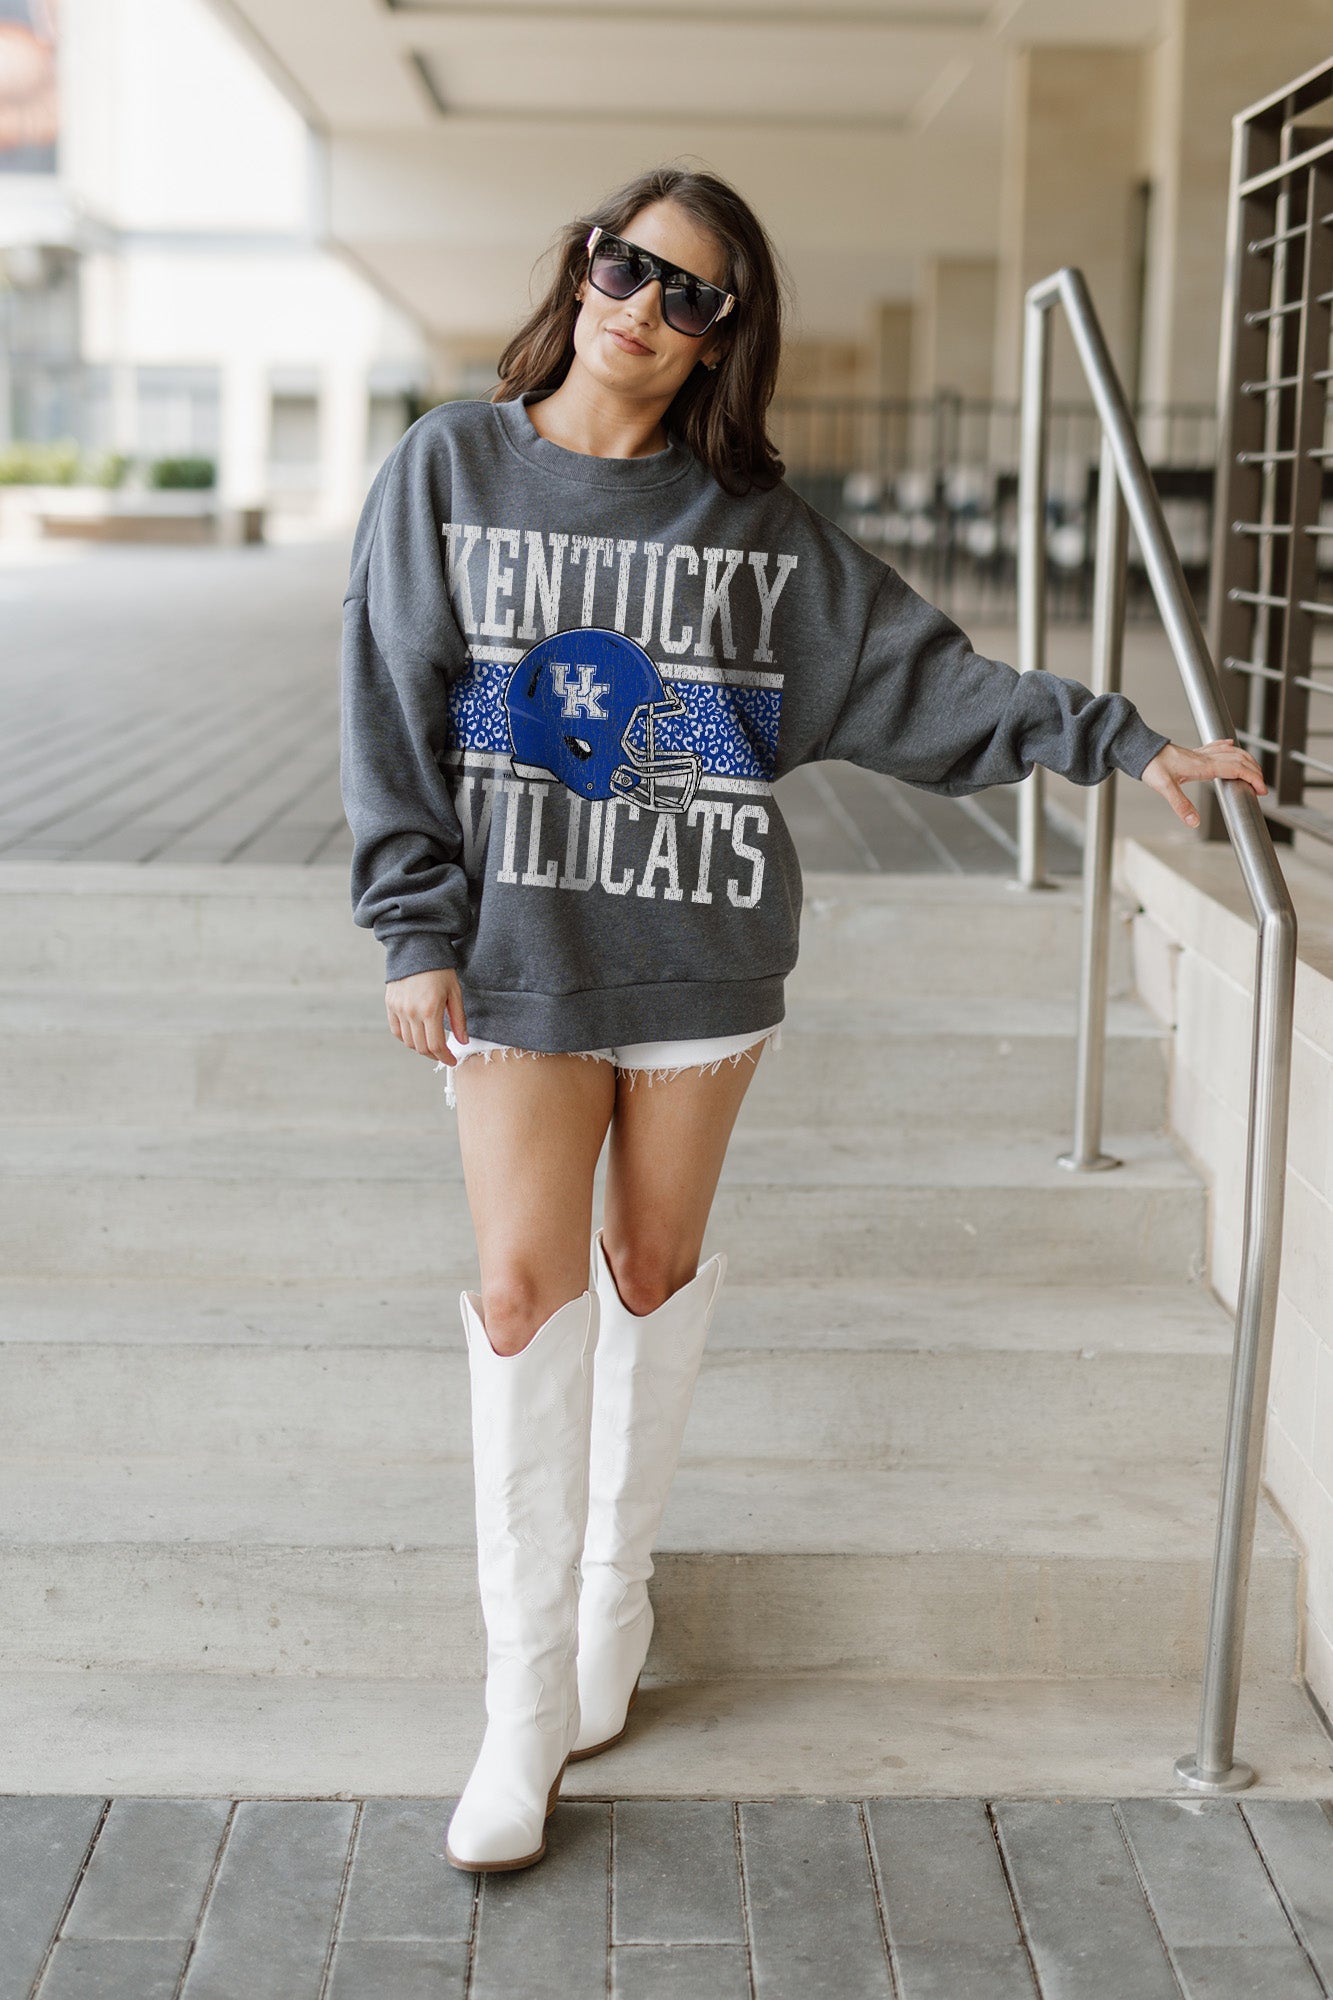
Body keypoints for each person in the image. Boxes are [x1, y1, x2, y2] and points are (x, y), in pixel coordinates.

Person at [338, 165, 1267, 1876]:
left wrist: (1126, 740)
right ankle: (520, 1703)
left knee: (649, 1271)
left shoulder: (750, 527)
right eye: (626, 266)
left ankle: (612, 1600)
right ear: (581, 269)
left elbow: (924, 676)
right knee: (522, 1296)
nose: (644, 307)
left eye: (689, 294)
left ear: (720, 338)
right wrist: (412, 926)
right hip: (521, 953)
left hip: (700, 953)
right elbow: (389, 701)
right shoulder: (449, 469)